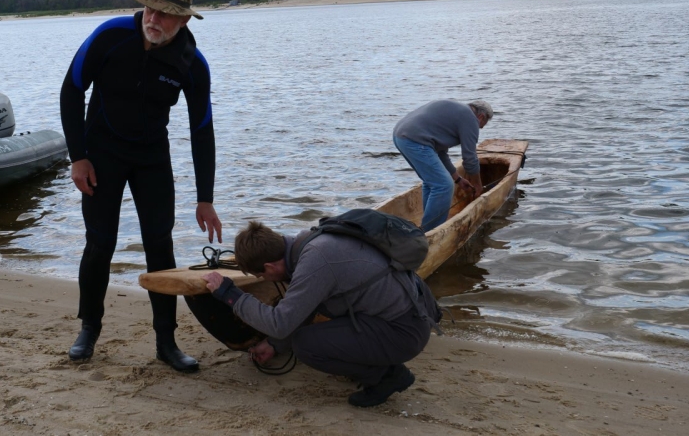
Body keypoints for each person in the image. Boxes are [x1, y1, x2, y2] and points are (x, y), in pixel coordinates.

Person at [59, 0, 222, 372]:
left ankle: (166, 341)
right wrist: (78, 157)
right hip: (101, 156)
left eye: (165, 14)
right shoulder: (111, 34)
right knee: (100, 243)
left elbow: (201, 129)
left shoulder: (191, 63)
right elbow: (71, 89)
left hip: (151, 158)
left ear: (182, 21)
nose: (154, 17)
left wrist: (205, 198)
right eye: (151, 8)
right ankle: (89, 329)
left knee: (159, 245)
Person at [201, 221, 434, 407]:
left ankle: (387, 375)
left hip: (404, 332)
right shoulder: (309, 242)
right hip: (409, 315)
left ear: (270, 267)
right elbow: (305, 308)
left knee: (306, 346)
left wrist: (230, 295)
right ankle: (375, 363)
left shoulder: (316, 262)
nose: (264, 280)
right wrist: (275, 345)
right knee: (310, 333)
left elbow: (279, 323)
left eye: (261, 276)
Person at [392, 99, 493, 232]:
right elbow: (470, 158)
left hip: (401, 136)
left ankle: (428, 224)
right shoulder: (470, 118)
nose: (480, 128)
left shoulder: (456, 113)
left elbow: (440, 153)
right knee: (443, 185)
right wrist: (478, 185)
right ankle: (431, 231)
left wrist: (458, 179)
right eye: (482, 125)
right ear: (481, 117)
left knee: (432, 182)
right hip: (415, 140)